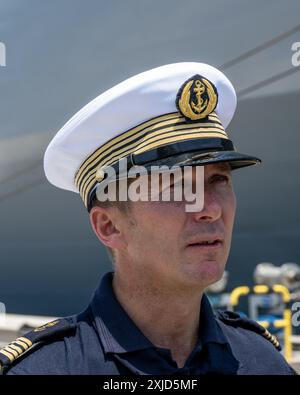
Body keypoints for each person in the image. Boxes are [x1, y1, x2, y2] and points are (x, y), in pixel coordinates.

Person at [0, 62, 296, 375]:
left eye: (218, 181)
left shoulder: (262, 360)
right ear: (109, 226)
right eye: (177, 187)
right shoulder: (45, 370)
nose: (211, 208)